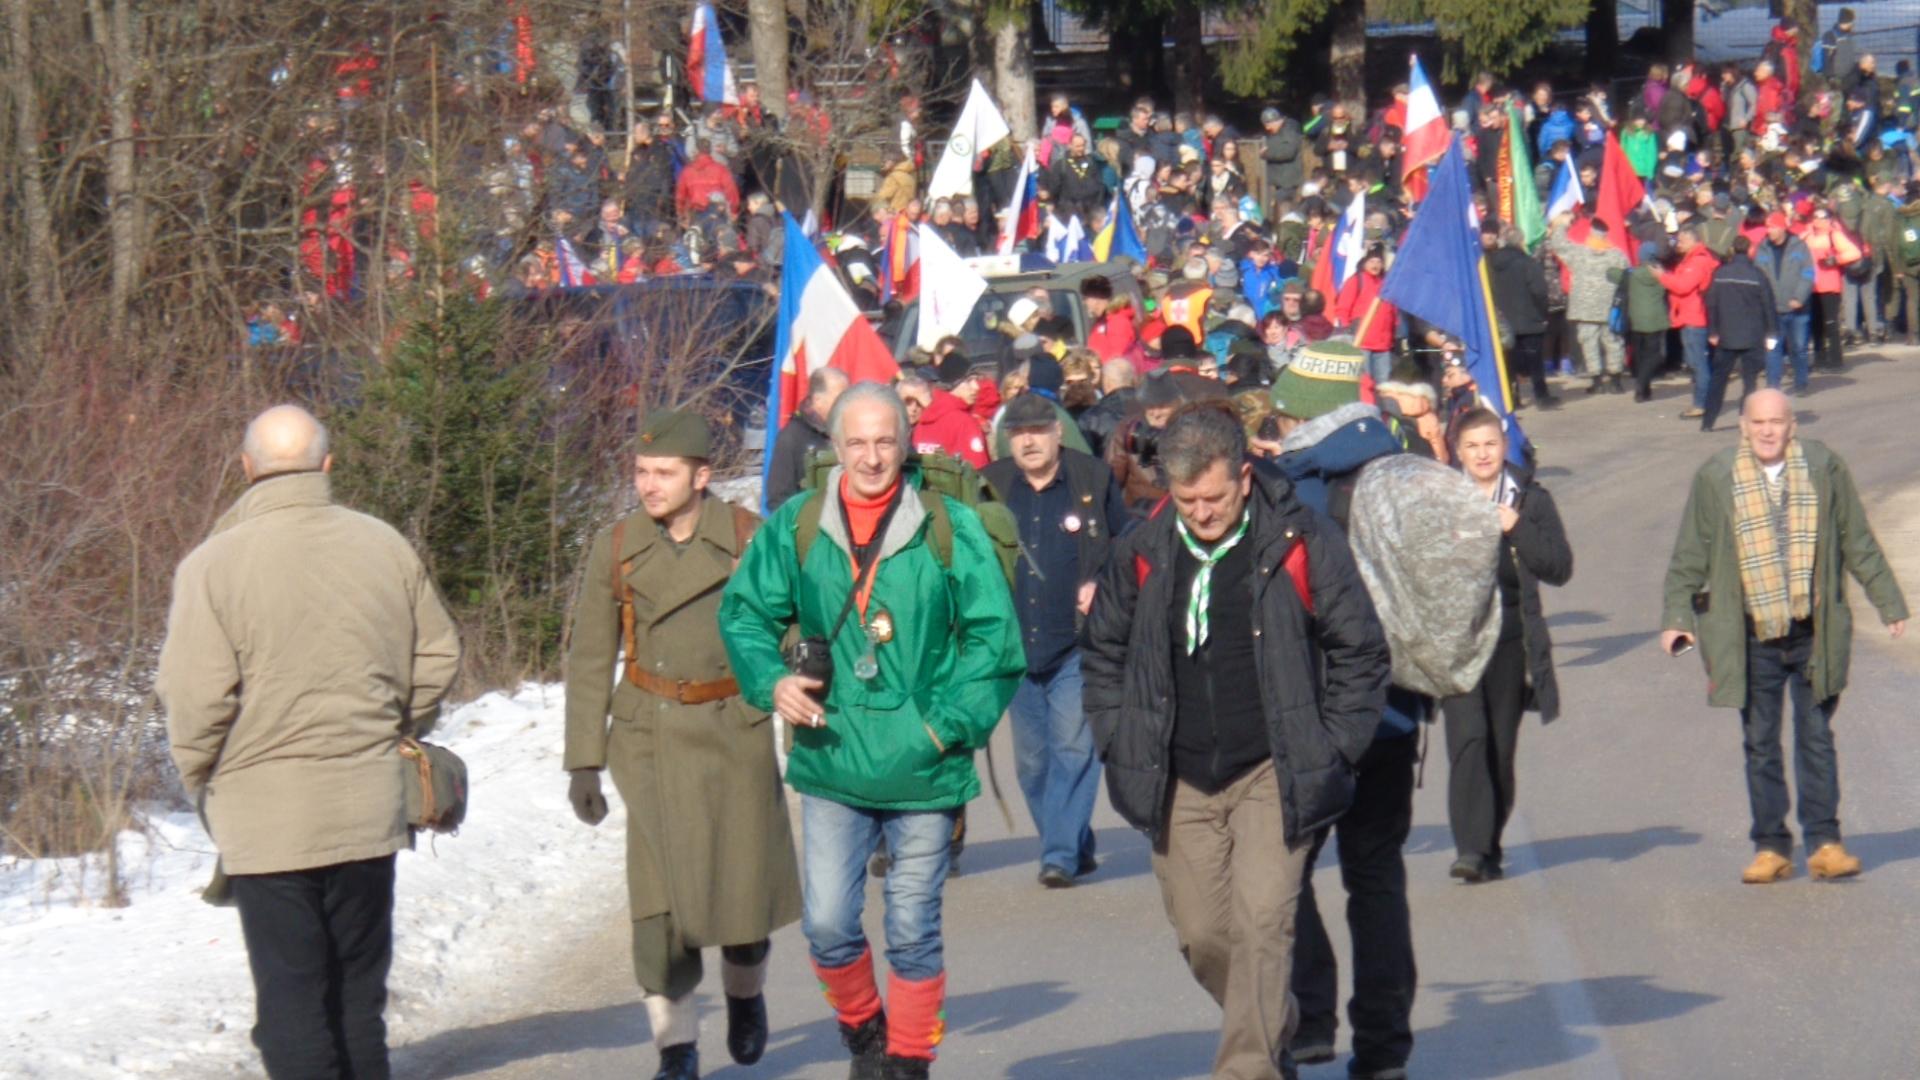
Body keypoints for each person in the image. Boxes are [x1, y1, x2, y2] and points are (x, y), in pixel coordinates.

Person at [718, 383, 1023, 1079]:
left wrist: (942, 726)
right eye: (856, 442)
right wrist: (773, 681)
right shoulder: (798, 524)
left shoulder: (949, 526)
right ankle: (863, 1029)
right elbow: (743, 615)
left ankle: (908, 1061)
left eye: (885, 440)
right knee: (827, 923)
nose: (872, 456)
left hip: (924, 763)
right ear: (834, 447)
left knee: (912, 926)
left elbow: (994, 641)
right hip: (832, 754)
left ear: (906, 441)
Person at [1082, 403, 1390, 1080]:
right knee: (1204, 934)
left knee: (1264, 922)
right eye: (1187, 499)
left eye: (1215, 497)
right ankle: (1268, 1024)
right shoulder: (1142, 551)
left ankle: (1246, 1067)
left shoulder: (1300, 541)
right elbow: (1102, 651)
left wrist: (1333, 747)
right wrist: (1116, 736)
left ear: (1244, 479)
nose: (1202, 512)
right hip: (1178, 777)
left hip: (1271, 772)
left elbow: (1360, 651)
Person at [157, 405, 461, 1080]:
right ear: (328, 466)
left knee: (292, 1000)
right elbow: (438, 655)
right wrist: (393, 727)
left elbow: (194, 699)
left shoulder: (210, 567)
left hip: (266, 818)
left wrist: (206, 781)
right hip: (368, 805)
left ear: (245, 469)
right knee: (358, 995)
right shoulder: (384, 546)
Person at [563, 411, 802, 1080]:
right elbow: (589, 657)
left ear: (702, 477)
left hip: (733, 726)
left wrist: (799, 729)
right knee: (658, 905)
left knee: (741, 893)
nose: (648, 486)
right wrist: (583, 758)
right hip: (648, 738)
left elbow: (787, 637)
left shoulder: (749, 540)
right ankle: (676, 1045)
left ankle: (745, 996)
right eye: (640, 473)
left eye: (663, 473)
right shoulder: (616, 547)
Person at [1661, 390, 1907, 884]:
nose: (1768, 431)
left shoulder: (1822, 468)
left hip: (1813, 631)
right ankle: (1771, 846)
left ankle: (1825, 843)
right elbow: (1691, 551)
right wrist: (1677, 616)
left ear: (1792, 426)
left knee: (1816, 738)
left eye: (1777, 421)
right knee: (1760, 742)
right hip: (1750, 634)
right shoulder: (1716, 477)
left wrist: (1889, 602)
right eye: (1759, 422)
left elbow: (1855, 538)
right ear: (1744, 428)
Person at [981, 394, 1130, 887]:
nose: (1027, 440)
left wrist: (1099, 582)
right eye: (1018, 432)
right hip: (1016, 648)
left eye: (1037, 430)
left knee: (1072, 746)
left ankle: (1059, 856)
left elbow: (1125, 545)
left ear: (1056, 432)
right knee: (1031, 763)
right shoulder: (992, 485)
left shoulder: (1092, 478)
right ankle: (1073, 843)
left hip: (1075, 644)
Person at [1441, 409, 1573, 882]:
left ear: (1504, 446)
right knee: (1468, 739)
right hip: (1457, 643)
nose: (1482, 454)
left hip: (1511, 641)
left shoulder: (1530, 500)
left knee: (1498, 748)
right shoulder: (1440, 500)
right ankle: (1470, 850)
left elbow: (1559, 567)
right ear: (1457, 451)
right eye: (1472, 446)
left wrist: (1516, 527)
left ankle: (1489, 843)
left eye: (1490, 445)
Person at [1703, 236, 1780, 433]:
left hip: (1726, 335)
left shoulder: (1720, 274)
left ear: (1732, 250)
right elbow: (1768, 306)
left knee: (1718, 379)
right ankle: (1744, 418)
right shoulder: (1757, 275)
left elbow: (1711, 303)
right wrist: (1772, 333)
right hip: (1752, 335)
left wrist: (1712, 330)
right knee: (1749, 381)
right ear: (1750, 250)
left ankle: (1708, 421)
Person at [1548, 213, 1630, 394]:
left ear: (1591, 234)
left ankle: (1597, 380)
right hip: (1610, 308)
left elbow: (1558, 244)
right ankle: (1616, 380)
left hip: (1585, 309)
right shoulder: (1617, 256)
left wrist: (1561, 225)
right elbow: (1626, 279)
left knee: (1589, 342)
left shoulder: (1579, 253)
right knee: (1613, 341)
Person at [1656, 226, 1721, 414]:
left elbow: (1683, 286)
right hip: (1688, 316)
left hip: (1695, 318)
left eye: (1682, 241)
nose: (1679, 244)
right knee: (1696, 363)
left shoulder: (1698, 261)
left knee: (1698, 364)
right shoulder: (1690, 259)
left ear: (1693, 241)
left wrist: (1662, 277)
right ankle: (1704, 401)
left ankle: (1702, 404)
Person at [767, 367, 851, 510]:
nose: (847, 403)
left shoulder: (853, 430)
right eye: (841, 397)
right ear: (818, 400)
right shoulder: (792, 437)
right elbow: (778, 500)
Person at [1755, 212, 1815, 392]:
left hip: (1798, 309)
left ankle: (1801, 383)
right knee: (1772, 349)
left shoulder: (1799, 247)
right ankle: (1773, 386)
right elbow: (1758, 276)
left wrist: (1799, 297)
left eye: (1772, 227)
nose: (1769, 231)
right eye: (1767, 227)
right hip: (1772, 310)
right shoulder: (1763, 248)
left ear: (1782, 228)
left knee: (1798, 347)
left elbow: (1808, 274)